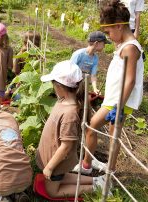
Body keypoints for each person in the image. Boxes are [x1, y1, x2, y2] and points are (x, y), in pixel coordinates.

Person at [73, 0, 144, 174]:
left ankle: (91, 167)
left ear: (119, 26)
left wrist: (119, 106)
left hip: (119, 101)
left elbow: (130, 81)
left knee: (92, 126)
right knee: (112, 135)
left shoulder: (130, 48)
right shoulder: (124, 45)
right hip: (115, 98)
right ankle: (101, 167)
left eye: (108, 31)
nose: (108, 36)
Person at [36, 60, 107, 198]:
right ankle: (97, 181)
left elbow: (66, 146)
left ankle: (95, 188)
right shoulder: (63, 101)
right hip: (54, 160)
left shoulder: (70, 113)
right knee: (60, 177)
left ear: (59, 86)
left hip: (56, 162)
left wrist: (50, 167)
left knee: (52, 191)